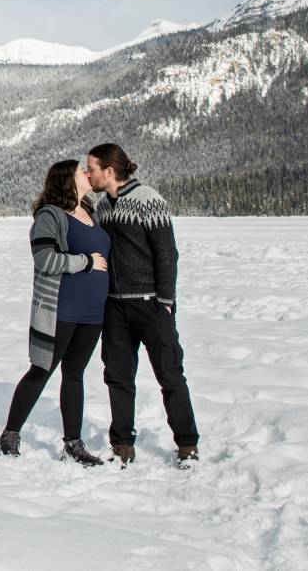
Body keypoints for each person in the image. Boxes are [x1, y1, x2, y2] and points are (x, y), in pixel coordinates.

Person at [86, 142, 200, 466]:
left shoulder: (149, 200)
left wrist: (164, 302)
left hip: (150, 305)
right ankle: (122, 445)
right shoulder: (103, 207)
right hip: (115, 309)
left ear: (109, 171)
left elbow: (167, 254)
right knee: (118, 377)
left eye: (91, 168)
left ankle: (187, 444)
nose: (88, 173)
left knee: (170, 375)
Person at [0, 159, 111, 466]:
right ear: (67, 179)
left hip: (92, 312)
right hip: (61, 308)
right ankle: (10, 434)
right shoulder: (50, 216)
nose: (89, 174)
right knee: (42, 369)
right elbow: (45, 258)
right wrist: (85, 262)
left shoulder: (92, 212)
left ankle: (72, 444)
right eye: (82, 171)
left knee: (74, 374)